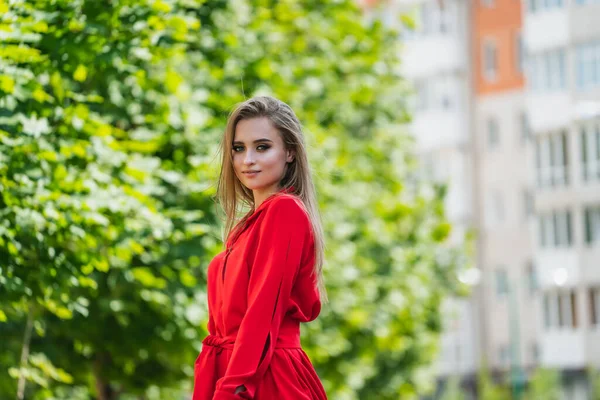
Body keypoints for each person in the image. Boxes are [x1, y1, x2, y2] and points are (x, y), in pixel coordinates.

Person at [193, 96, 328, 400]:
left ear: (290, 153)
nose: (247, 160)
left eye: (262, 147)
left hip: (263, 378)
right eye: (238, 148)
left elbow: (261, 314)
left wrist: (232, 391)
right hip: (236, 373)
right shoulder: (245, 229)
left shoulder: (285, 212)